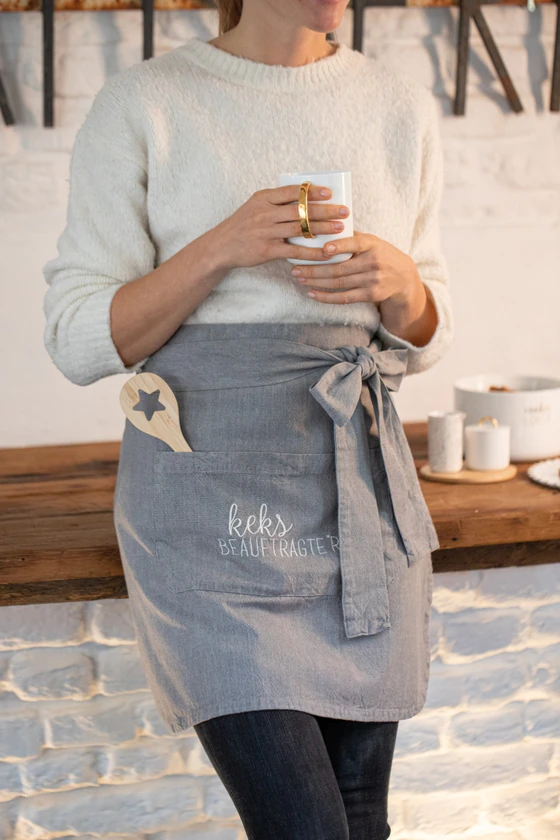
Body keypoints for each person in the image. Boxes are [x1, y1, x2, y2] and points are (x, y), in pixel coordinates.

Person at [42, 1, 454, 837]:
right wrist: (223, 245)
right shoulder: (146, 102)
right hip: (209, 514)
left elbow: (423, 334)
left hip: (354, 502)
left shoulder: (399, 104)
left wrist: (403, 283)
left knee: (361, 816)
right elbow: (79, 337)